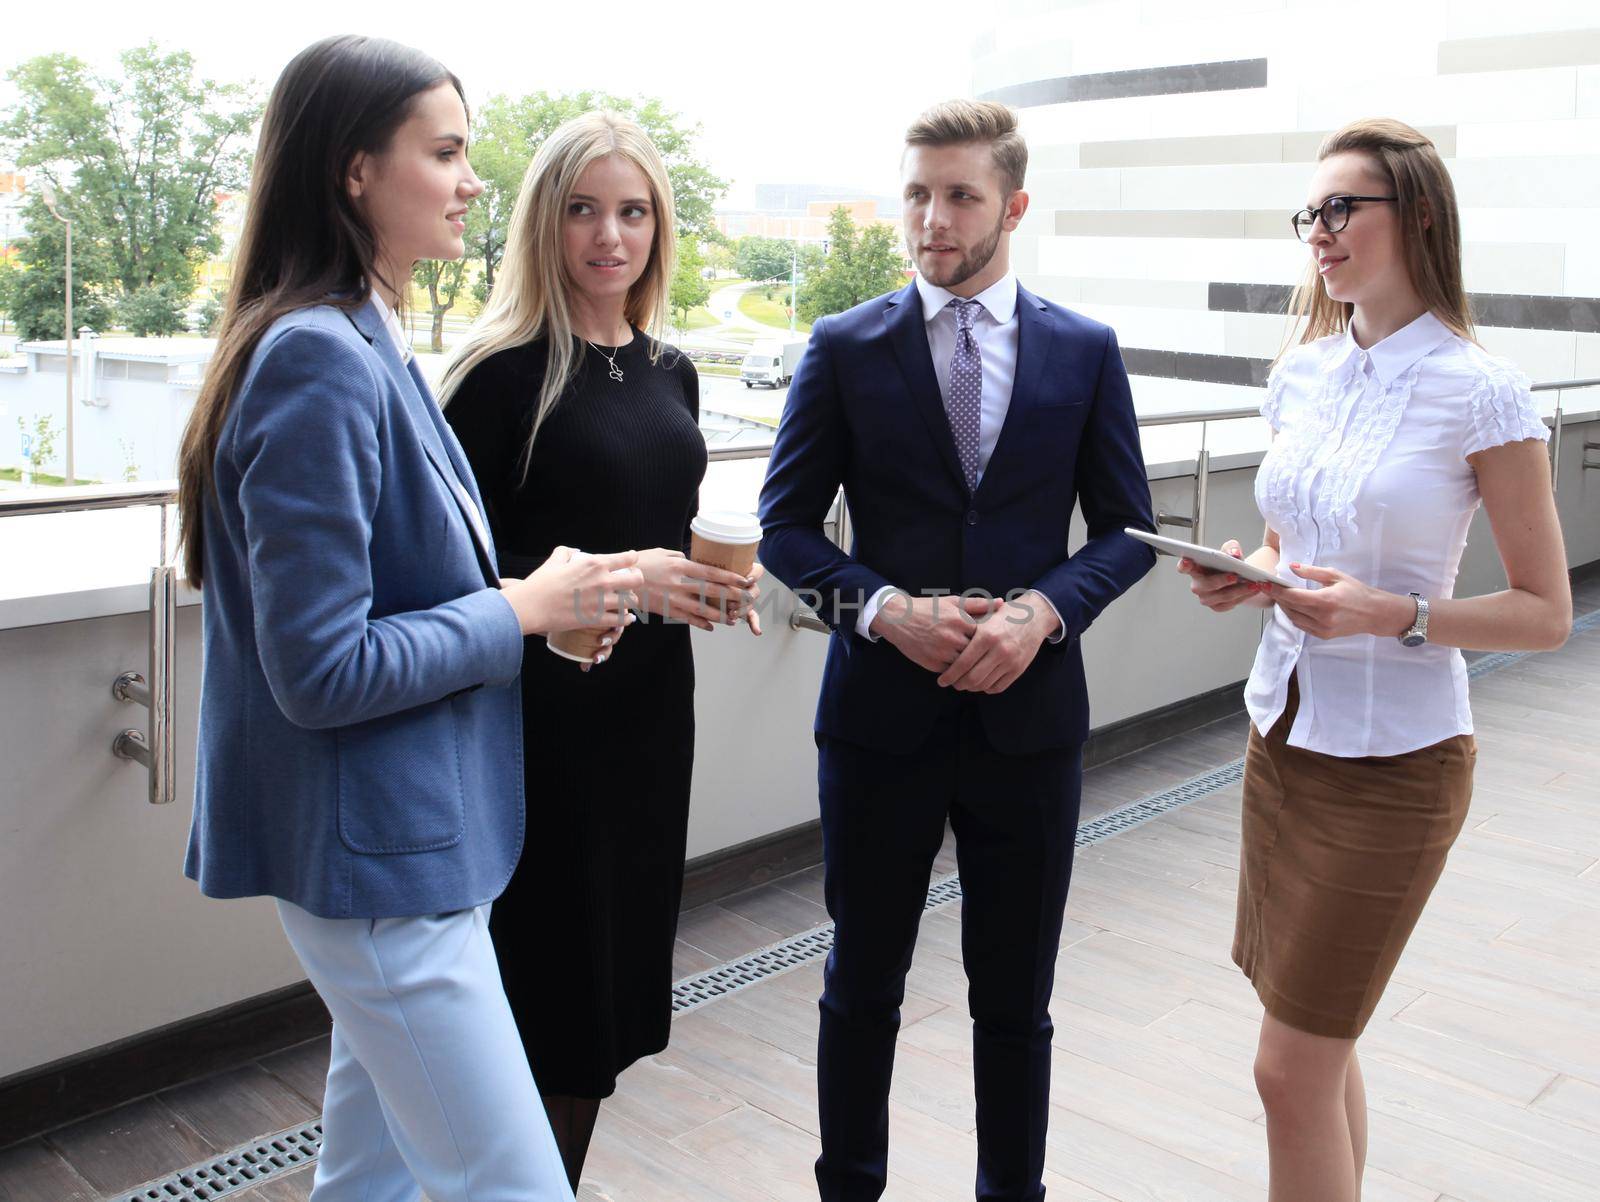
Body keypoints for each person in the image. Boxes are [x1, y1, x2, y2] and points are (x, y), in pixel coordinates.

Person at [175, 36, 641, 1202]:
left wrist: (539, 614)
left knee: (366, 1179)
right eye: (444, 152)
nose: (472, 181)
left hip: (407, 846)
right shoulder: (316, 359)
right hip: (379, 863)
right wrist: (519, 607)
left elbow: (394, 593)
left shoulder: (362, 334)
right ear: (352, 171)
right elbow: (321, 668)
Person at [757, 99, 1156, 1202]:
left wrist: (1045, 609)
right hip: (880, 717)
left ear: (1012, 205)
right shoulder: (841, 345)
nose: (931, 217)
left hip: (1029, 722)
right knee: (861, 981)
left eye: (960, 194)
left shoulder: (1083, 348)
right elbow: (786, 528)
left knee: (1015, 998)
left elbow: (1127, 529)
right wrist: (881, 605)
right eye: (917, 193)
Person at [1177, 118, 1571, 1202]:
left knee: (1285, 1064)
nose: (1321, 231)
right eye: (1311, 212)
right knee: (1320, 1041)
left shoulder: (1481, 388)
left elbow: (1545, 614)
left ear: (1421, 216)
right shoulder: (1301, 373)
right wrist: (1246, 570)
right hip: (1283, 737)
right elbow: (1293, 548)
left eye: (1345, 207)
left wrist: (1393, 614)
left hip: (1396, 766)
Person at [438, 110, 761, 1190]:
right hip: (540, 729)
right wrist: (629, 574)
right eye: (582, 209)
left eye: (631, 210)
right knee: (549, 1005)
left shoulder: (672, 369)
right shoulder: (497, 375)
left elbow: (654, 533)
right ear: (543, 222)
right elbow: (450, 582)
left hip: (647, 718)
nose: (608, 235)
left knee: (608, 1001)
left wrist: (704, 585)